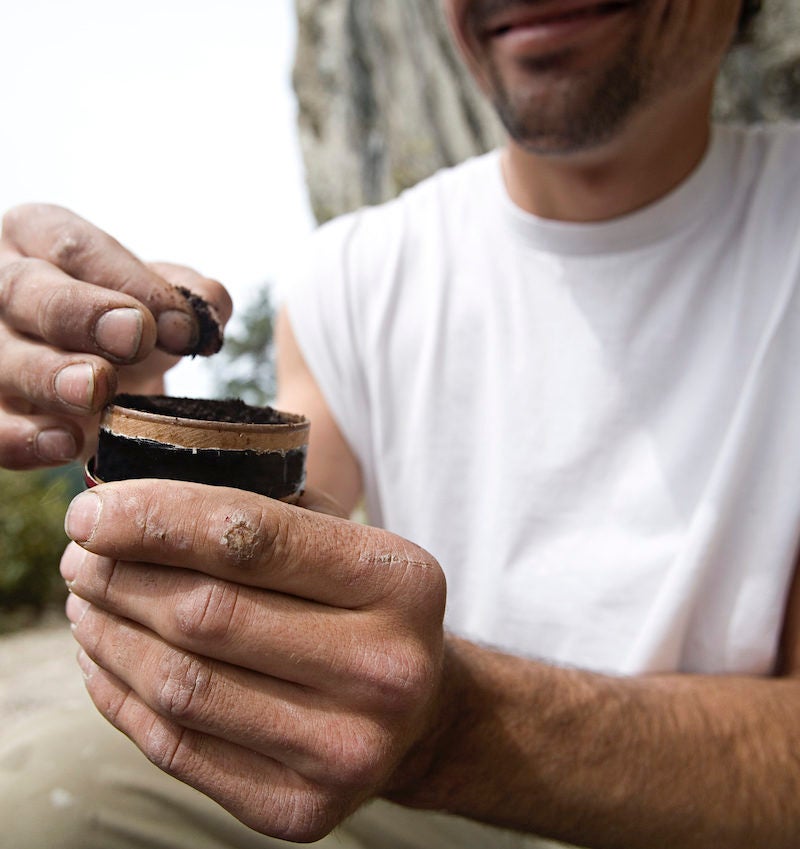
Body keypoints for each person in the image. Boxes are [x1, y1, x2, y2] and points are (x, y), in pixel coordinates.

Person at [0, 1, 795, 847]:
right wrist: (138, 418)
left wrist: (455, 726)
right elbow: (287, 537)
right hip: (449, 820)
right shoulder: (351, 276)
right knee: (51, 799)